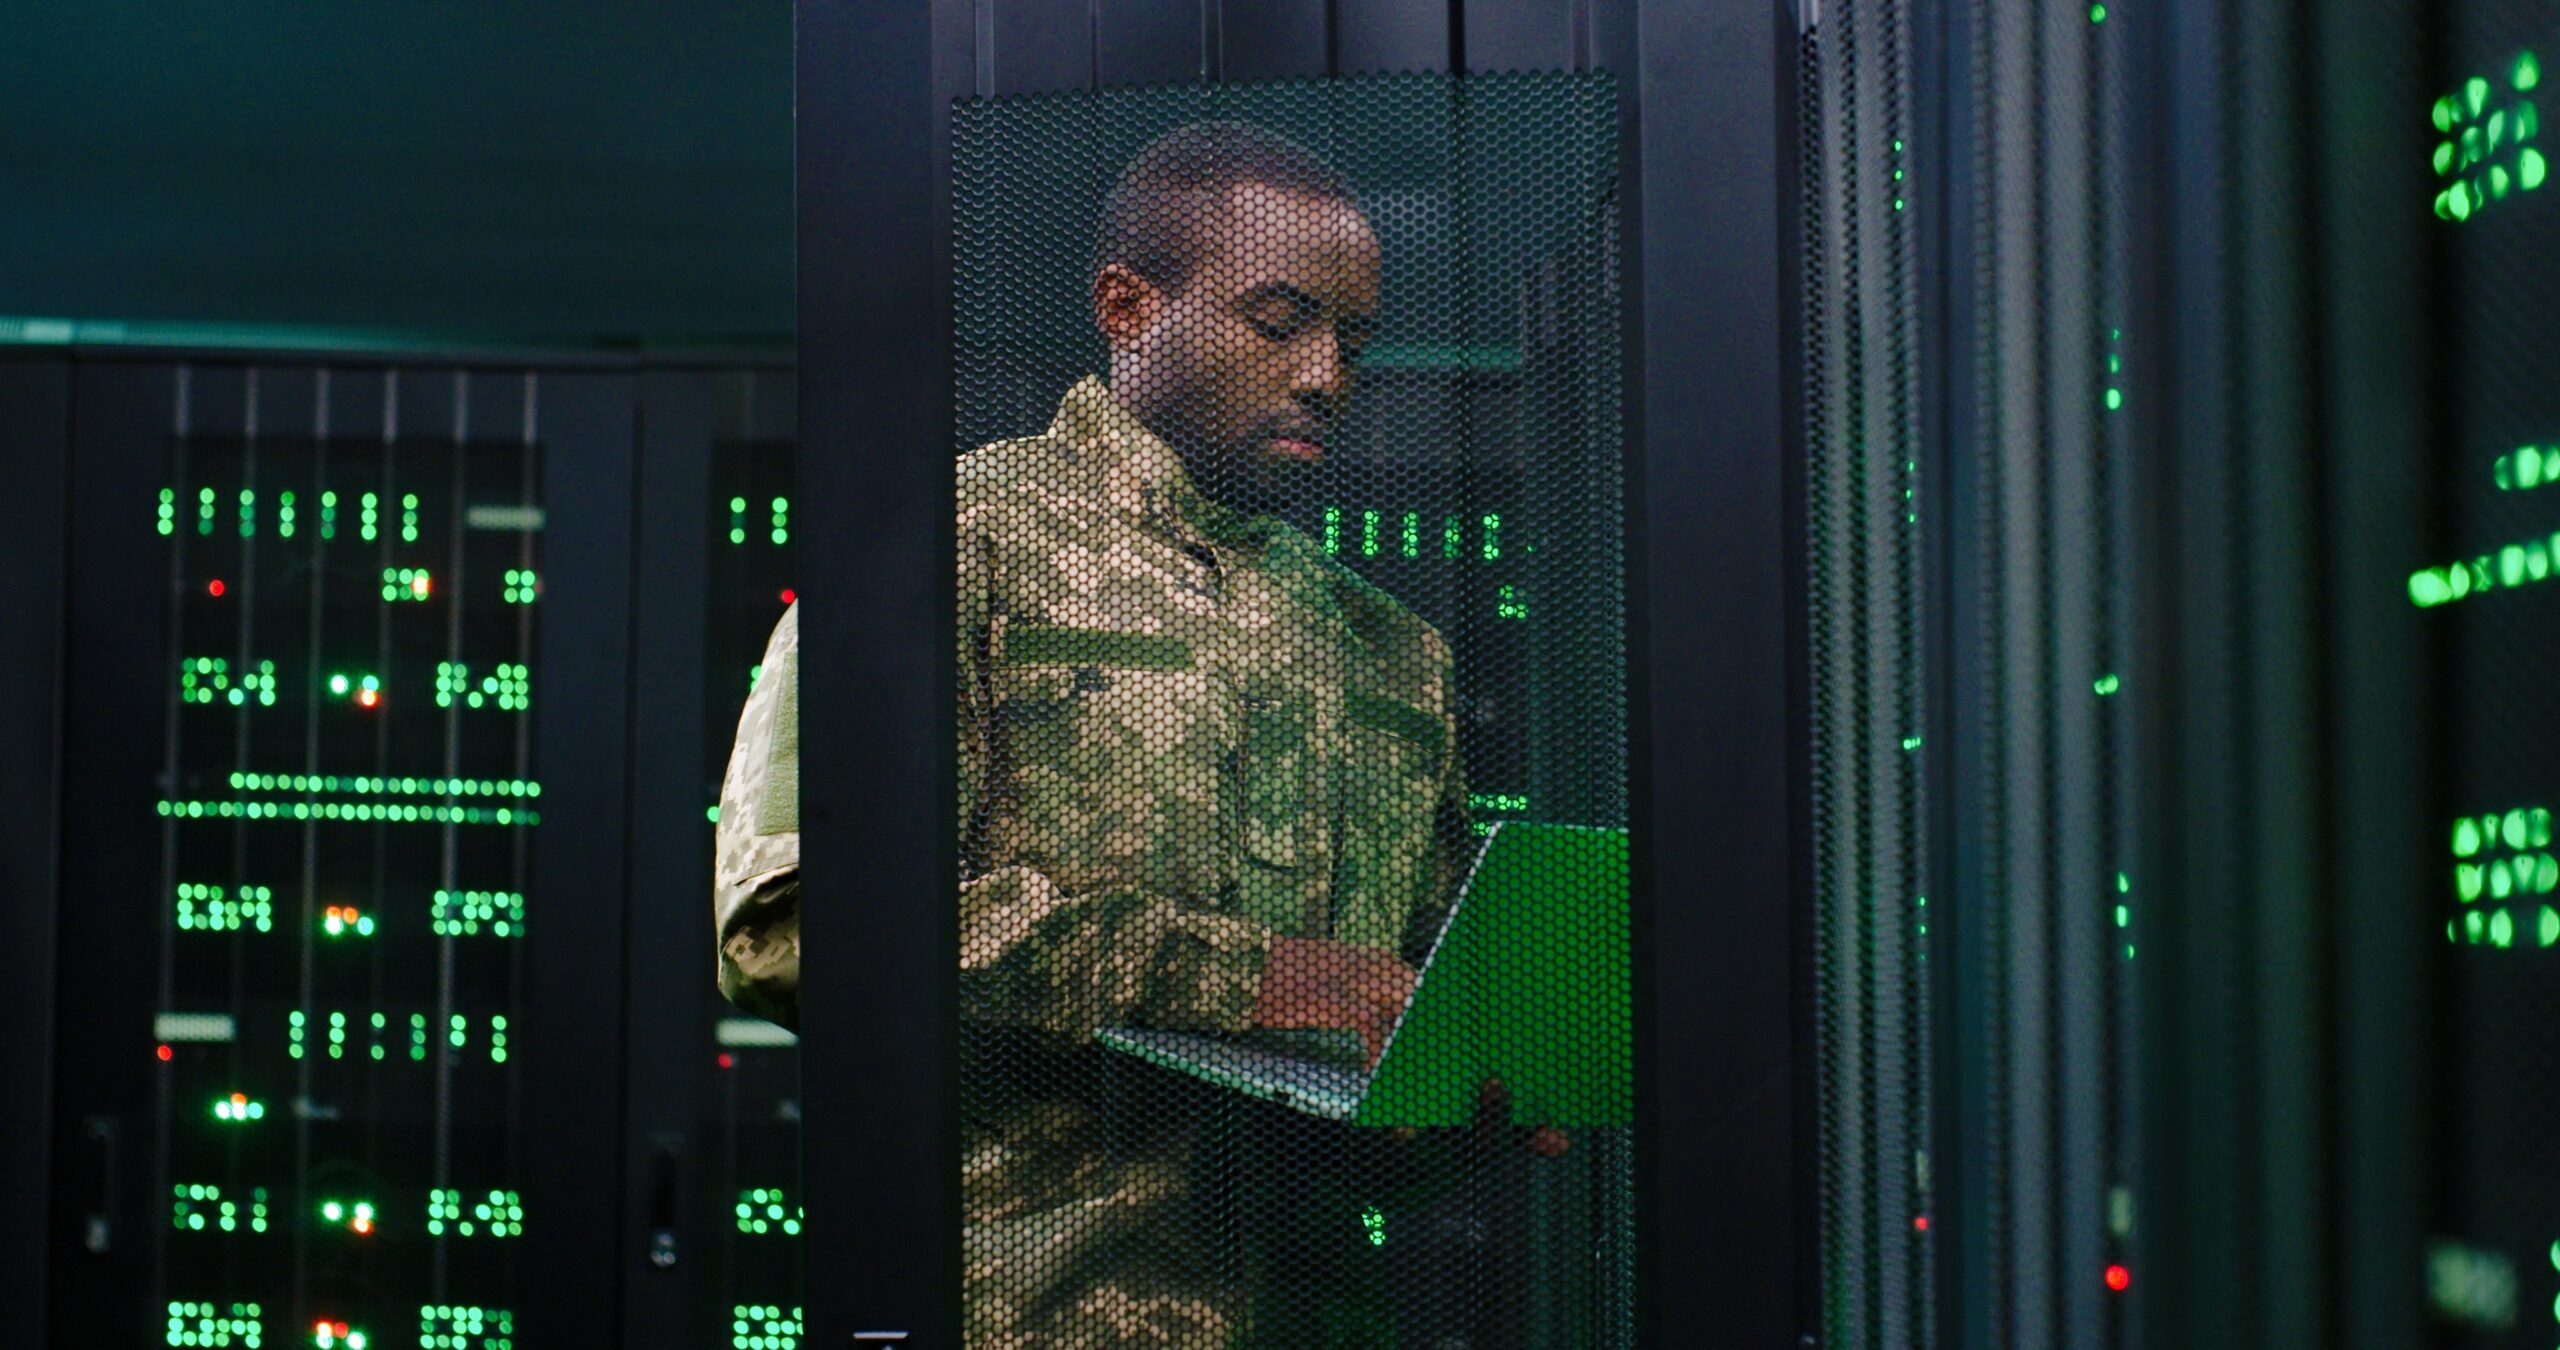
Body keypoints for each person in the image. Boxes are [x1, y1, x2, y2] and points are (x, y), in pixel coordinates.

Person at [714, 121, 1474, 1347]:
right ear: (1126, 307)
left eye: (1354, 339)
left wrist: (1456, 1102)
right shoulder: (943, 544)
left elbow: (1406, 1023)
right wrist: (1247, 979)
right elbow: (790, 920)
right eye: (1281, 323)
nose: (1329, 374)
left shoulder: (1386, 646)